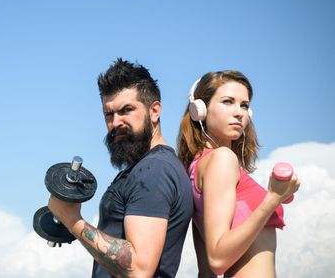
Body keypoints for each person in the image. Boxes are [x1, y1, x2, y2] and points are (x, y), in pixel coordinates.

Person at [48, 58, 193, 278]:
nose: (116, 123)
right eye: (109, 114)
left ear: (154, 111)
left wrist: (72, 220)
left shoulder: (155, 171)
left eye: (126, 110)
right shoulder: (143, 168)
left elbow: (139, 268)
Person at [177, 70, 301, 278]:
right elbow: (217, 259)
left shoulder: (198, 166)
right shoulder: (222, 159)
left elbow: (205, 272)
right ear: (200, 110)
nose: (239, 112)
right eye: (228, 102)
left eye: (244, 105)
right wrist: (272, 199)